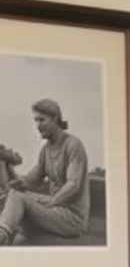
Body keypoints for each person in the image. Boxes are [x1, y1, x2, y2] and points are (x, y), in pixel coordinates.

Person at [0, 99, 90, 246]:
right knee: (10, 195)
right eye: (36, 121)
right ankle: (16, 233)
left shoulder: (73, 145)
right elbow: (33, 179)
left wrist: (52, 200)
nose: (38, 126)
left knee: (17, 198)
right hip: (54, 210)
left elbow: (73, 184)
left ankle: (3, 234)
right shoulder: (46, 149)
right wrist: (16, 180)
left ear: (55, 118)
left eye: (42, 120)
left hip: (71, 218)